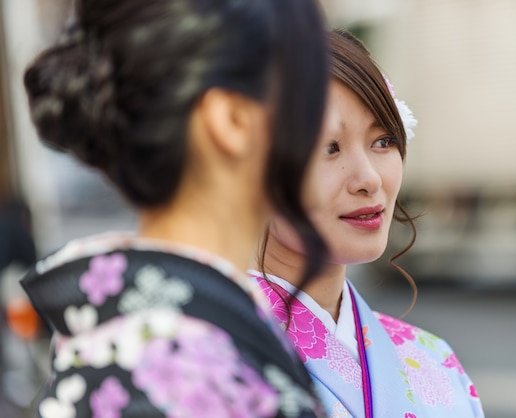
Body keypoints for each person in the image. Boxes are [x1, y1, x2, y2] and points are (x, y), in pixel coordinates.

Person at [20, 1, 330, 417]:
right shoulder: (176, 376)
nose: (325, 119)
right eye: (311, 87)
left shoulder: (149, 343)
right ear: (233, 119)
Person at [251, 30, 485, 418]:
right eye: (329, 148)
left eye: (382, 141)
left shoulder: (432, 359)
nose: (369, 179)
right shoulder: (201, 359)